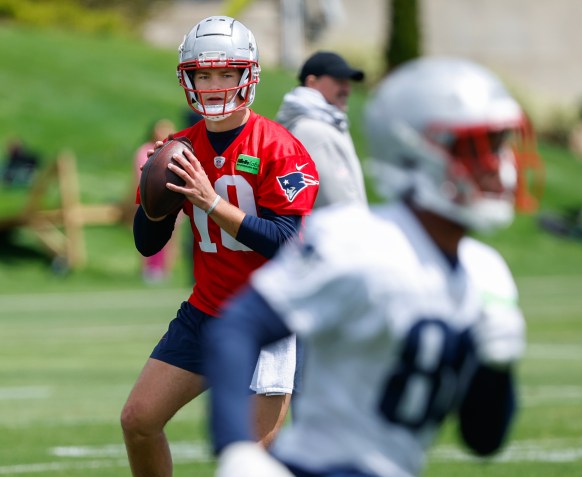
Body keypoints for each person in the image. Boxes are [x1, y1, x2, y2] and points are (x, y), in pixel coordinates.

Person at [203, 56, 537, 477]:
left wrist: (497, 370)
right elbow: (237, 327)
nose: (499, 166)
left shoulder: (486, 273)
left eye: (500, 145)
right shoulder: (356, 242)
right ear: (418, 153)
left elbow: (482, 439)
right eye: (477, 148)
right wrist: (236, 446)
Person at [120, 15, 319, 477]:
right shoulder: (179, 147)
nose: (214, 84)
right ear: (188, 79)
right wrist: (158, 199)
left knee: (246, 464)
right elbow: (147, 245)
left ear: (247, 75)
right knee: (139, 420)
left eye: (225, 73)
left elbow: (288, 244)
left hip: (268, 317)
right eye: (203, 74)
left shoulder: (279, 147)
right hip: (206, 311)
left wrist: (210, 202)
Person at [276, 51, 367, 209]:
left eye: (347, 82)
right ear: (312, 82)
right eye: (339, 81)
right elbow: (336, 202)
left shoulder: (325, 122)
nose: (347, 89)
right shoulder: (312, 130)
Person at [133, 118, 178, 283]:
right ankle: (148, 269)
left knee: (171, 238)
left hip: (172, 200)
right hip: (151, 200)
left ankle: (166, 270)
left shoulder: (176, 149)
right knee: (149, 234)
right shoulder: (145, 150)